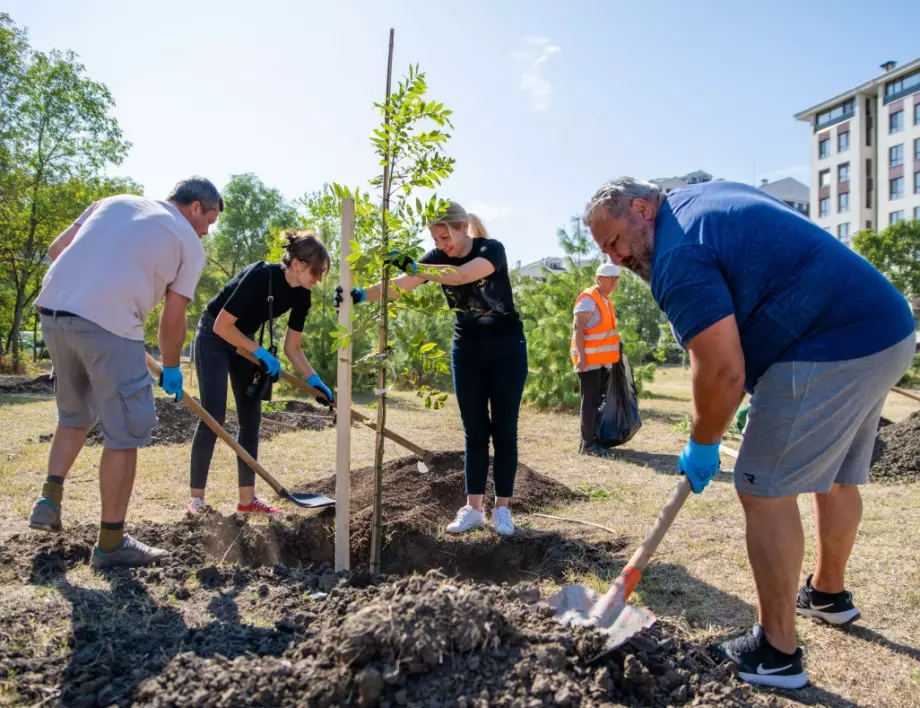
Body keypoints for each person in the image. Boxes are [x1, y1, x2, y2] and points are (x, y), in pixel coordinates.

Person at [583, 178, 915, 690]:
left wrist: (703, 441)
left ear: (642, 209)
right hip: (883, 328)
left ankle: (777, 652)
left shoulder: (677, 255)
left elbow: (720, 371)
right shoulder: (702, 200)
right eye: (606, 250)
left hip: (829, 343)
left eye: (614, 242)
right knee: (836, 477)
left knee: (761, 488)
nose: (616, 257)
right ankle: (828, 595)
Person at [28, 177, 222, 568]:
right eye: (210, 219)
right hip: (110, 325)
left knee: (74, 415)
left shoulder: (114, 201)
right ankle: (112, 543)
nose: (208, 230)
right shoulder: (187, 242)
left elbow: (57, 250)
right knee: (125, 433)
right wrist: (171, 368)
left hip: (53, 313)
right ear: (195, 207)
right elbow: (172, 320)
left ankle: (48, 500)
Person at [336, 202, 527, 536]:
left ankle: (502, 510)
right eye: (436, 238)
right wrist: (360, 295)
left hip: (506, 349)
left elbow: (463, 275)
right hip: (466, 349)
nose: (441, 244)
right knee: (475, 430)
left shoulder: (490, 249)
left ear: (463, 226)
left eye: (445, 236)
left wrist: (417, 267)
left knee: (504, 429)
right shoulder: (435, 259)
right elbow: (400, 285)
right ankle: (474, 508)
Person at [187, 230, 333, 516]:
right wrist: (260, 353)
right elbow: (221, 326)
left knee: (250, 420)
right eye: (317, 272)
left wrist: (314, 380)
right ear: (298, 264)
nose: (319, 279)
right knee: (212, 415)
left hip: (245, 341)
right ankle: (196, 500)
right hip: (214, 336)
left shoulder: (303, 295)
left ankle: (247, 500)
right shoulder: (260, 275)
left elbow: (293, 347)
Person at [571, 262, 621, 457]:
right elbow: (578, 329)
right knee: (590, 402)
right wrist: (582, 358)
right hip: (589, 361)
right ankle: (587, 444)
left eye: (616, 279)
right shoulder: (588, 299)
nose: (614, 283)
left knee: (597, 401)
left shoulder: (605, 300)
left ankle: (593, 440)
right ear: (599, 279)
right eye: (611, 279)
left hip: (601, 361)